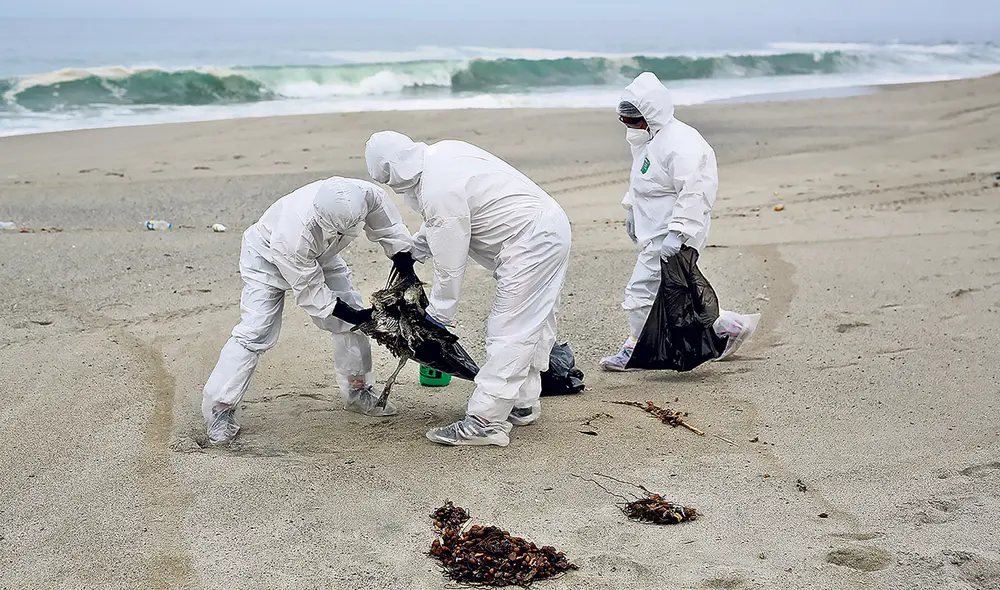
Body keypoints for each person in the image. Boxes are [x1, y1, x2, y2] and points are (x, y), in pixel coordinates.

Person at [365, 131, 572, 447]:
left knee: (510, 330)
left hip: (530, 242)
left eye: (388, 179)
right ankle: (522, 403)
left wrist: (439, 314)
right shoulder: (443, 155)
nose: (393, 187)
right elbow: (444, 221)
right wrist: (414, 251)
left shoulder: (437, 188)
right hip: (548, 228)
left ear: (393, 170)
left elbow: (450, 258)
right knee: (534, 324)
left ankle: (485, 422)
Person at [201, 176, 416, 445]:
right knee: (256, 331)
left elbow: (390, 229)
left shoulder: (366, 195)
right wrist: (362, 317)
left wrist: (407, 273)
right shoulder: (293, 234)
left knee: (350, 319)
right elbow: (314, 296)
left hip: (322, 255)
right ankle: (220, 409)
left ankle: (357, 390)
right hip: (266, 258)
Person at [600, 72, 759, 371]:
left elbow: (695, 191)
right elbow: (643, 179)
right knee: (678, 294)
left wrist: (679, 232)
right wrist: (631, 208)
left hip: (674, 231)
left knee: (641, 291)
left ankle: (635, 347)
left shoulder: (681, 144)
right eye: (625, 120)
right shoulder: (648, 138)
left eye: (635, 120)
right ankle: (730, 326)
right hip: (655, 230)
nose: (631, 126)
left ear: (652, 114)